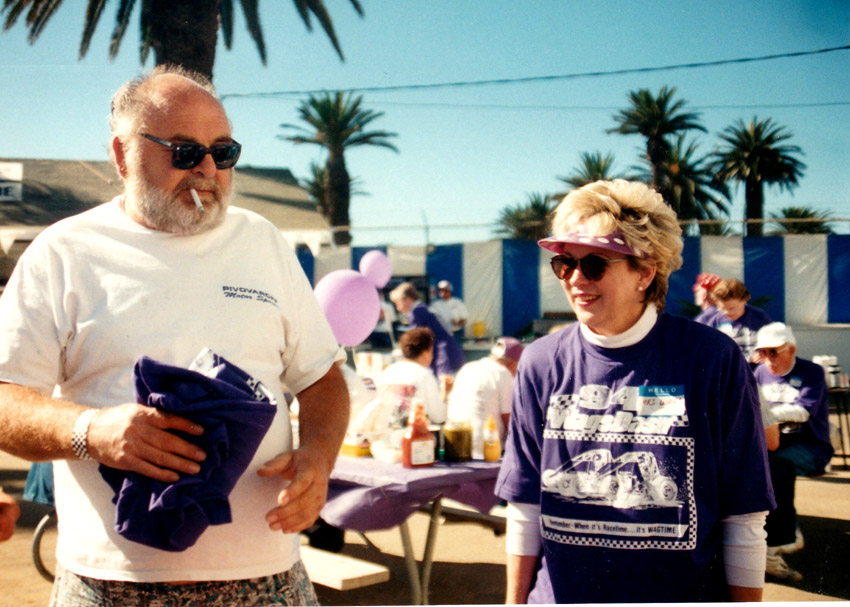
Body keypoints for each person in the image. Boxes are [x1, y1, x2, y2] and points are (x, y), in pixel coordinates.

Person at [0, 66, 350, 606]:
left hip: (270, 580)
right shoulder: (63, 252)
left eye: (223, 152)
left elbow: (322, 378)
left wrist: (318, 456)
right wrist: (92, 431)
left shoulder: (262, 241)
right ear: (122, 155)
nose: (207, 168)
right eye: (184, 152)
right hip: (110, 586)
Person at [494, 180, 774, 603]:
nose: (575, 279)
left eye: (594, 264)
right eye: (565, 264)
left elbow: (745, 514)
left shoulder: (712, 357)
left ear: (644, 272)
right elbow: (525, 506)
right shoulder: (540, 361)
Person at [753, 322, 834, 582]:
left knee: (775, 469)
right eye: (763, 352)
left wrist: (765, 416)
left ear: (791, 349)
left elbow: (802, 411)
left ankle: (782, 535)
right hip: (774, 443)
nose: (768, 358)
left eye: (774, 352)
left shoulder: (811, 372)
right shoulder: (759, 372)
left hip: (810, 446)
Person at [447, 337, 523, 459]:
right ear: (513, 365)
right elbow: (509, 420)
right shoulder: (503, 373)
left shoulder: (467, 367)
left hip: (455, 445)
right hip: (486, 450)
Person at [389, 281, 465, 378]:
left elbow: (413, 341)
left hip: (443, 356)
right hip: (450, 353)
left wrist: (400, 353)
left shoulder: (416, 312)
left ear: (407, 299)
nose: (398, 308)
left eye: (398, 303)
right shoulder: (422, 308)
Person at [376, 328, 447, 427]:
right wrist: (445, 393)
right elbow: (439, 417)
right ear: (425, 352)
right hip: (413, 432)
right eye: (431, 351)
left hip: (385, 430)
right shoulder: (424, 374)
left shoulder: (387, 372)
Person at [701, 277, 772, 362]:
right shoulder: (715, 322)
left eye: (732, 308)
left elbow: (773, 343)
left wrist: (763, 353)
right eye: (722, 308)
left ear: (744, 300)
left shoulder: (760, 318)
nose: (727, 312)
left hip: (755, 366)